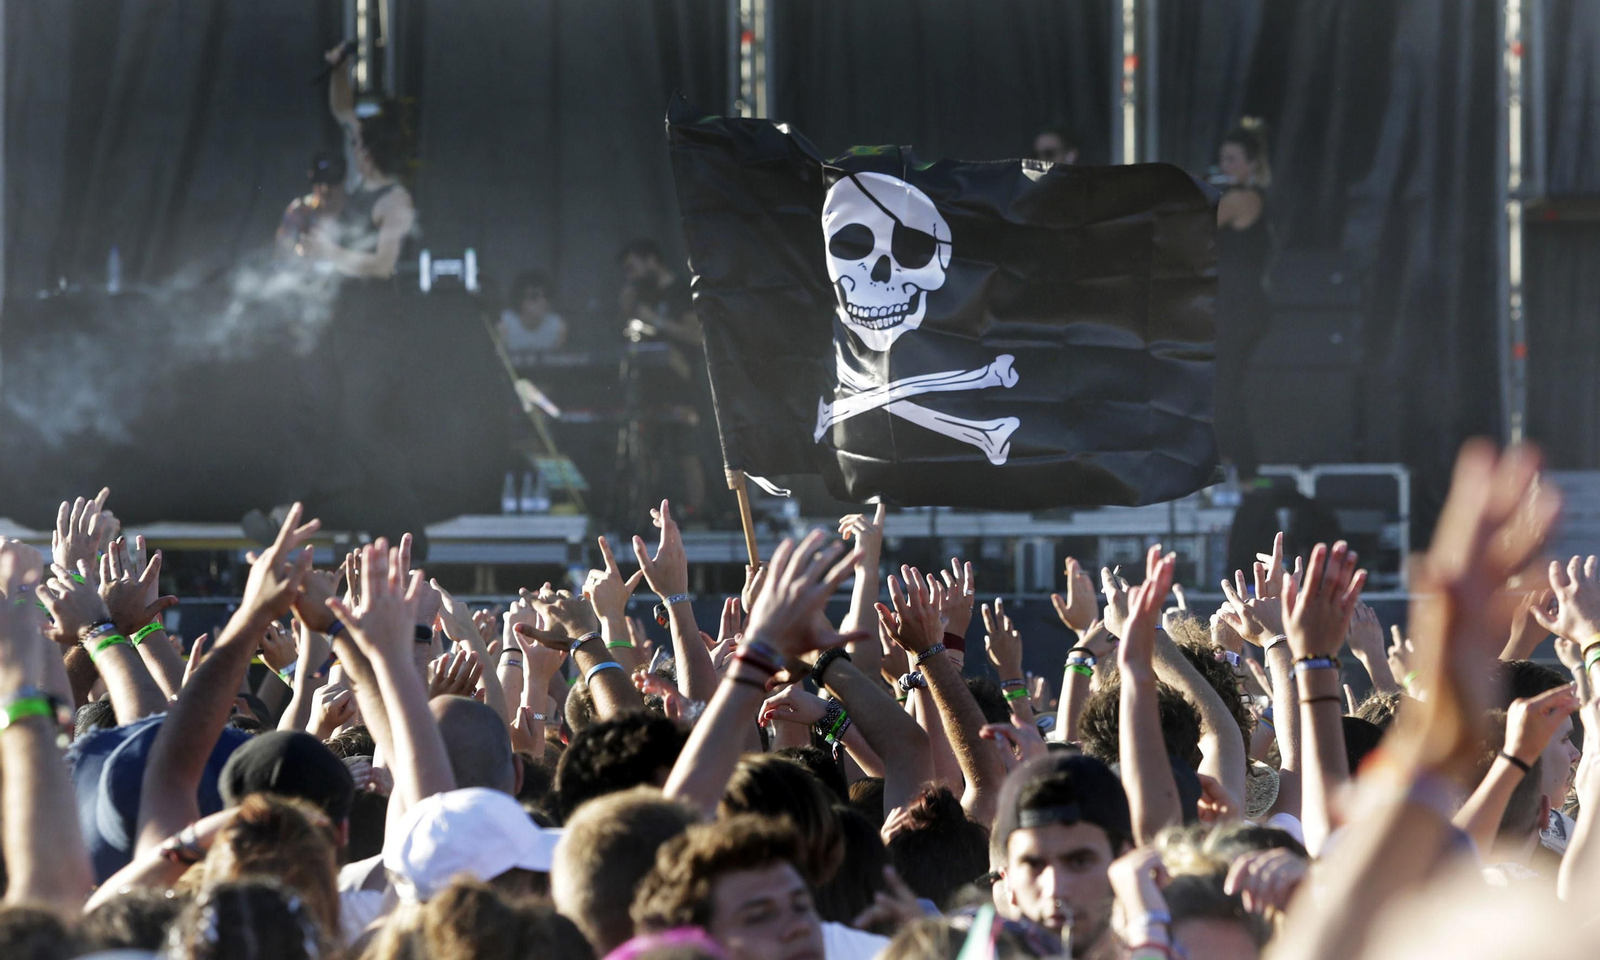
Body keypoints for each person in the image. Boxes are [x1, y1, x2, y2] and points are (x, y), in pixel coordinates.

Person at [309, 43, 418, 280]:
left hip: (376, 302)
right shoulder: (367, 177)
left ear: (370, 154)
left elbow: (383, 266)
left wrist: (330, 253)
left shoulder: (395, 202)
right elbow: (342, 110)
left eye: (357, 145)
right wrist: (339, 70)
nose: (353, 149)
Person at [1212, 119, 1273, 481]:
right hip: (1230, 308)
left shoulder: (1242, 199)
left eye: (1233, 159)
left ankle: (1250, 477)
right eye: (1223, 159)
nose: (1226, 166)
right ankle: (1234, 473)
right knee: (1219, 391)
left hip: (1240, 309)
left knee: (1223, 392)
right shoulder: (1236, 196)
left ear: (1251, 164)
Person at [275, 150, 349, 262]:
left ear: (344, 178)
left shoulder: (358, 209)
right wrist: (300, 252)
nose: (325, 189)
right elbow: (281, 256)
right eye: (319, 182)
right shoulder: (299, 210)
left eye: (331, 181)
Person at [500, 268, 569, 353]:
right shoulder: (505, 324)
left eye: (546, 296)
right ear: (519, 299)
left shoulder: (558, 328)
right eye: (534, 296)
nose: (542, 301)